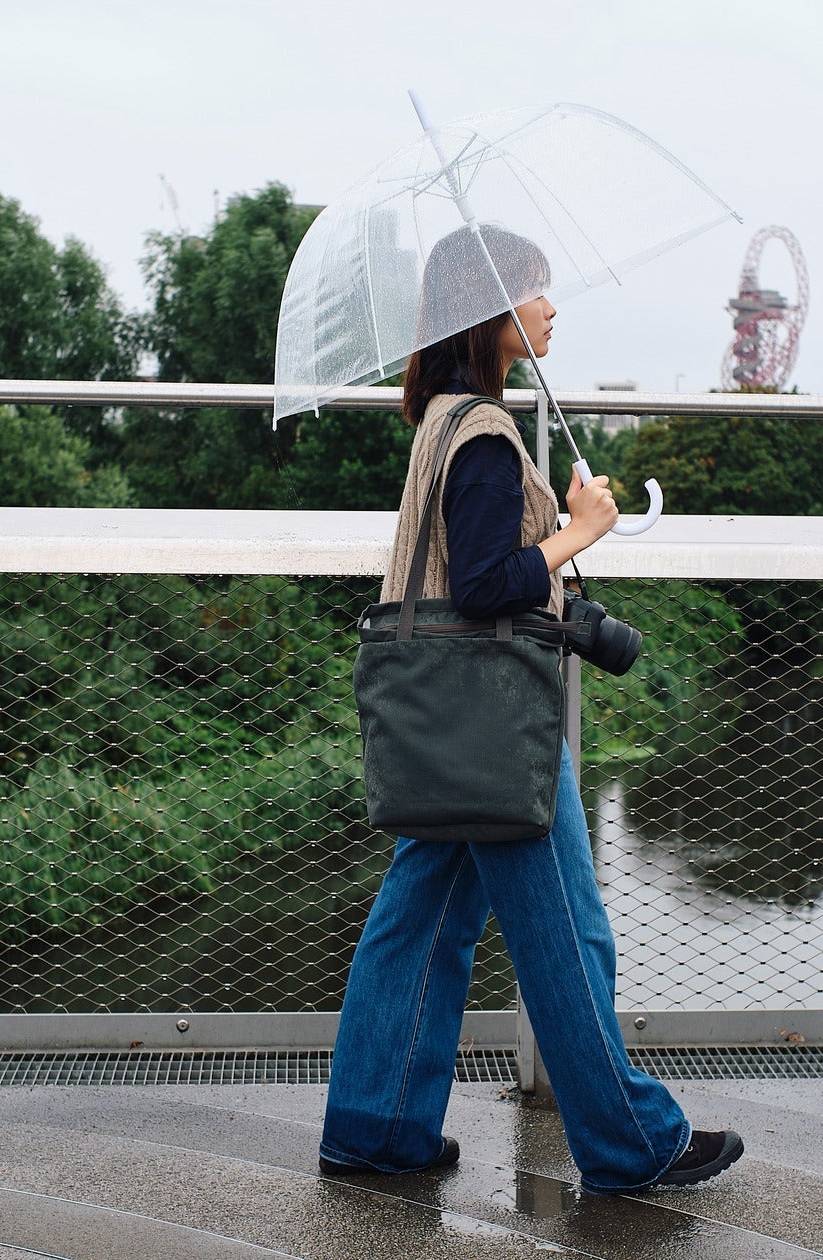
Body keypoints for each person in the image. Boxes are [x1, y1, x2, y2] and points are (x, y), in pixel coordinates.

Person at [318, 225, 743, 1194]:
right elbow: (480, 585)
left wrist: (548, 527)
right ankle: (631, 1142)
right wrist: (579, 534)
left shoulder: (442, 417)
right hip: (497, 717)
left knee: (420, 921)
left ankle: (376, 1128)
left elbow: (478, 562)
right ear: (493, 309)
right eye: (538, 291)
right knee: (568, 934)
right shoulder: (482, 434)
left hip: (450, 723)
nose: (551, 308)